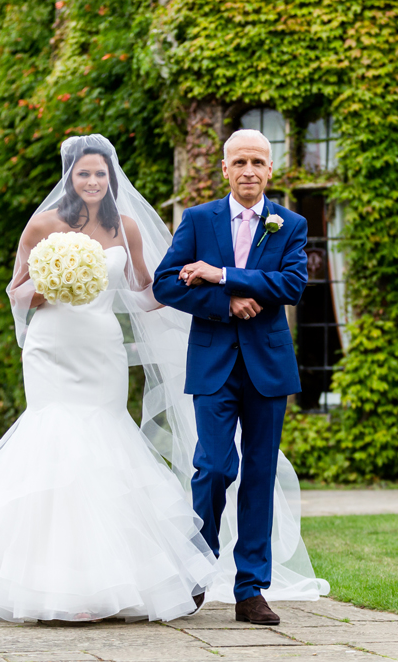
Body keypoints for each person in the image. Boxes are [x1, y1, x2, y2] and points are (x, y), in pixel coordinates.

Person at [0, 135, 216, 622]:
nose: (93, 181)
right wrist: (52, 283)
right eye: (84, 173)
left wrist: (184, 285)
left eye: (100, 174)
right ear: (70, 177)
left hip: (101, 350)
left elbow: (142, 293)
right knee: (52, 437)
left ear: (111, 178)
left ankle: (108, 583)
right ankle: (42, 584)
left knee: (104, 439)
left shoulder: (126, 228)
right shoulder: (43, 224)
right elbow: (16, 292)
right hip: (52, 350)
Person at [153, 129, 328, 626]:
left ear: (270, 169)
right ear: (225, 169)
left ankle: (250, 589)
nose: (248, 170)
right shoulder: (198, 219)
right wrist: (225, 301)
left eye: (257, 162)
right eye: (239, 162)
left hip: (268, 367)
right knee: (212, 467)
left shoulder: (290, 224)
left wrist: (222, 274)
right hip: (213, 364)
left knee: (258, 475)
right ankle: (196, 570)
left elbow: (292, 285)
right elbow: (165, 284)